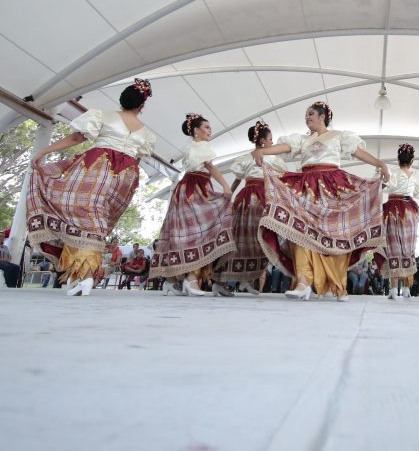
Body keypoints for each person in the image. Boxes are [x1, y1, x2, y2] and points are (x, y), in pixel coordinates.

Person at [27, 79, 156, 296]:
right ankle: (80, 275)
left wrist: (43, 152)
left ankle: (84, 276)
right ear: (142, 106)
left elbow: (77, 137)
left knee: (77, 214)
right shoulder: (146, 133)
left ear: (122, 100)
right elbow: (139, 159)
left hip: (98, 165)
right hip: (126, 175)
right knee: (95, 222)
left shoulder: (102, 115)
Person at [254, 101, 389, 302]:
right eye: (306, 115)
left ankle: (337, 284)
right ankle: (304, 282)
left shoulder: (339, 136)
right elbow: (284, 147)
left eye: (310, 114)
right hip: (306, 188)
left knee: (336, 234)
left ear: (322, 116)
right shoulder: (302, 139)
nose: (307, 118)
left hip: (333, 187)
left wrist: (380, 164)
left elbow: (357, 152)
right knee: (299, 231)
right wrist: (262, 151)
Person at [149, 114, 236, 297]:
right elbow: (210, 167)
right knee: (199, 234)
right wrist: (226, 186)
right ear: (196, 130)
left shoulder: (194, 147)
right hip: (194, 189)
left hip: (191, 188)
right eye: (206, 127)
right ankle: (190, 279)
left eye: (209, 127)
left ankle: (174, 281)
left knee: (185, 233)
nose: (209, 130)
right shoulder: (200, 146)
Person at [214, 121, 287, 296]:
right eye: (270, 139)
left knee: (246, 238)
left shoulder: (247, 158)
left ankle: (245, 280)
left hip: (247, 198)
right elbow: (281, 179)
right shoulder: (271, 158)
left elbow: (238, 181)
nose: (272, 142)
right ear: (262, 141)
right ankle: (222, 280)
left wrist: (230, 194)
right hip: (258, 198)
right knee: (255, 238)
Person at [374, 143, 419, 300]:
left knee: (394, 248)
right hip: (410, 211)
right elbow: (417, 191)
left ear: (398, 158)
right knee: (408, 249)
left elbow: (384, 185)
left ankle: (393, 289)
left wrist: (381, 175)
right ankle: (407, 288)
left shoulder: (393, 172)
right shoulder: (413, 175)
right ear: (412, 160)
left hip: (394, 209)